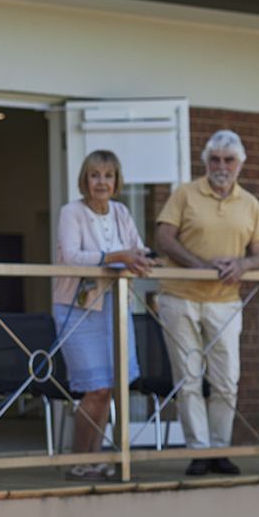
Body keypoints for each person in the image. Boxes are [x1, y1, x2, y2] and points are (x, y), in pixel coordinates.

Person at [154, 130, 259, 477]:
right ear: (205, 162)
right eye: (215, 159)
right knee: (188, 377)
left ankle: (220, 449)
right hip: (180, 298)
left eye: (228, 160)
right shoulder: (185, 193)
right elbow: (162, 238)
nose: (222, 166)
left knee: (226, 380)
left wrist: (242, 265)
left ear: (240, 165)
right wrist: (199, 266)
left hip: (225, 303)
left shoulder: (250, 203)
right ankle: (199, 452)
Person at [54, 150, 155, 480]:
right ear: (85, 179)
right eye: (95, 175)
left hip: (116, 307)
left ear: (116, 181)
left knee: (110, 388)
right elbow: (71, 257)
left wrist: (136, 258)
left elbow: (138, 250)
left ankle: (94, 459)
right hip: (78, 308)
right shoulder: (71, 212)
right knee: (95, 388)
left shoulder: (122, 212)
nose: (101, 181)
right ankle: (78, 459)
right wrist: (119, 255)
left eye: (108, 175)